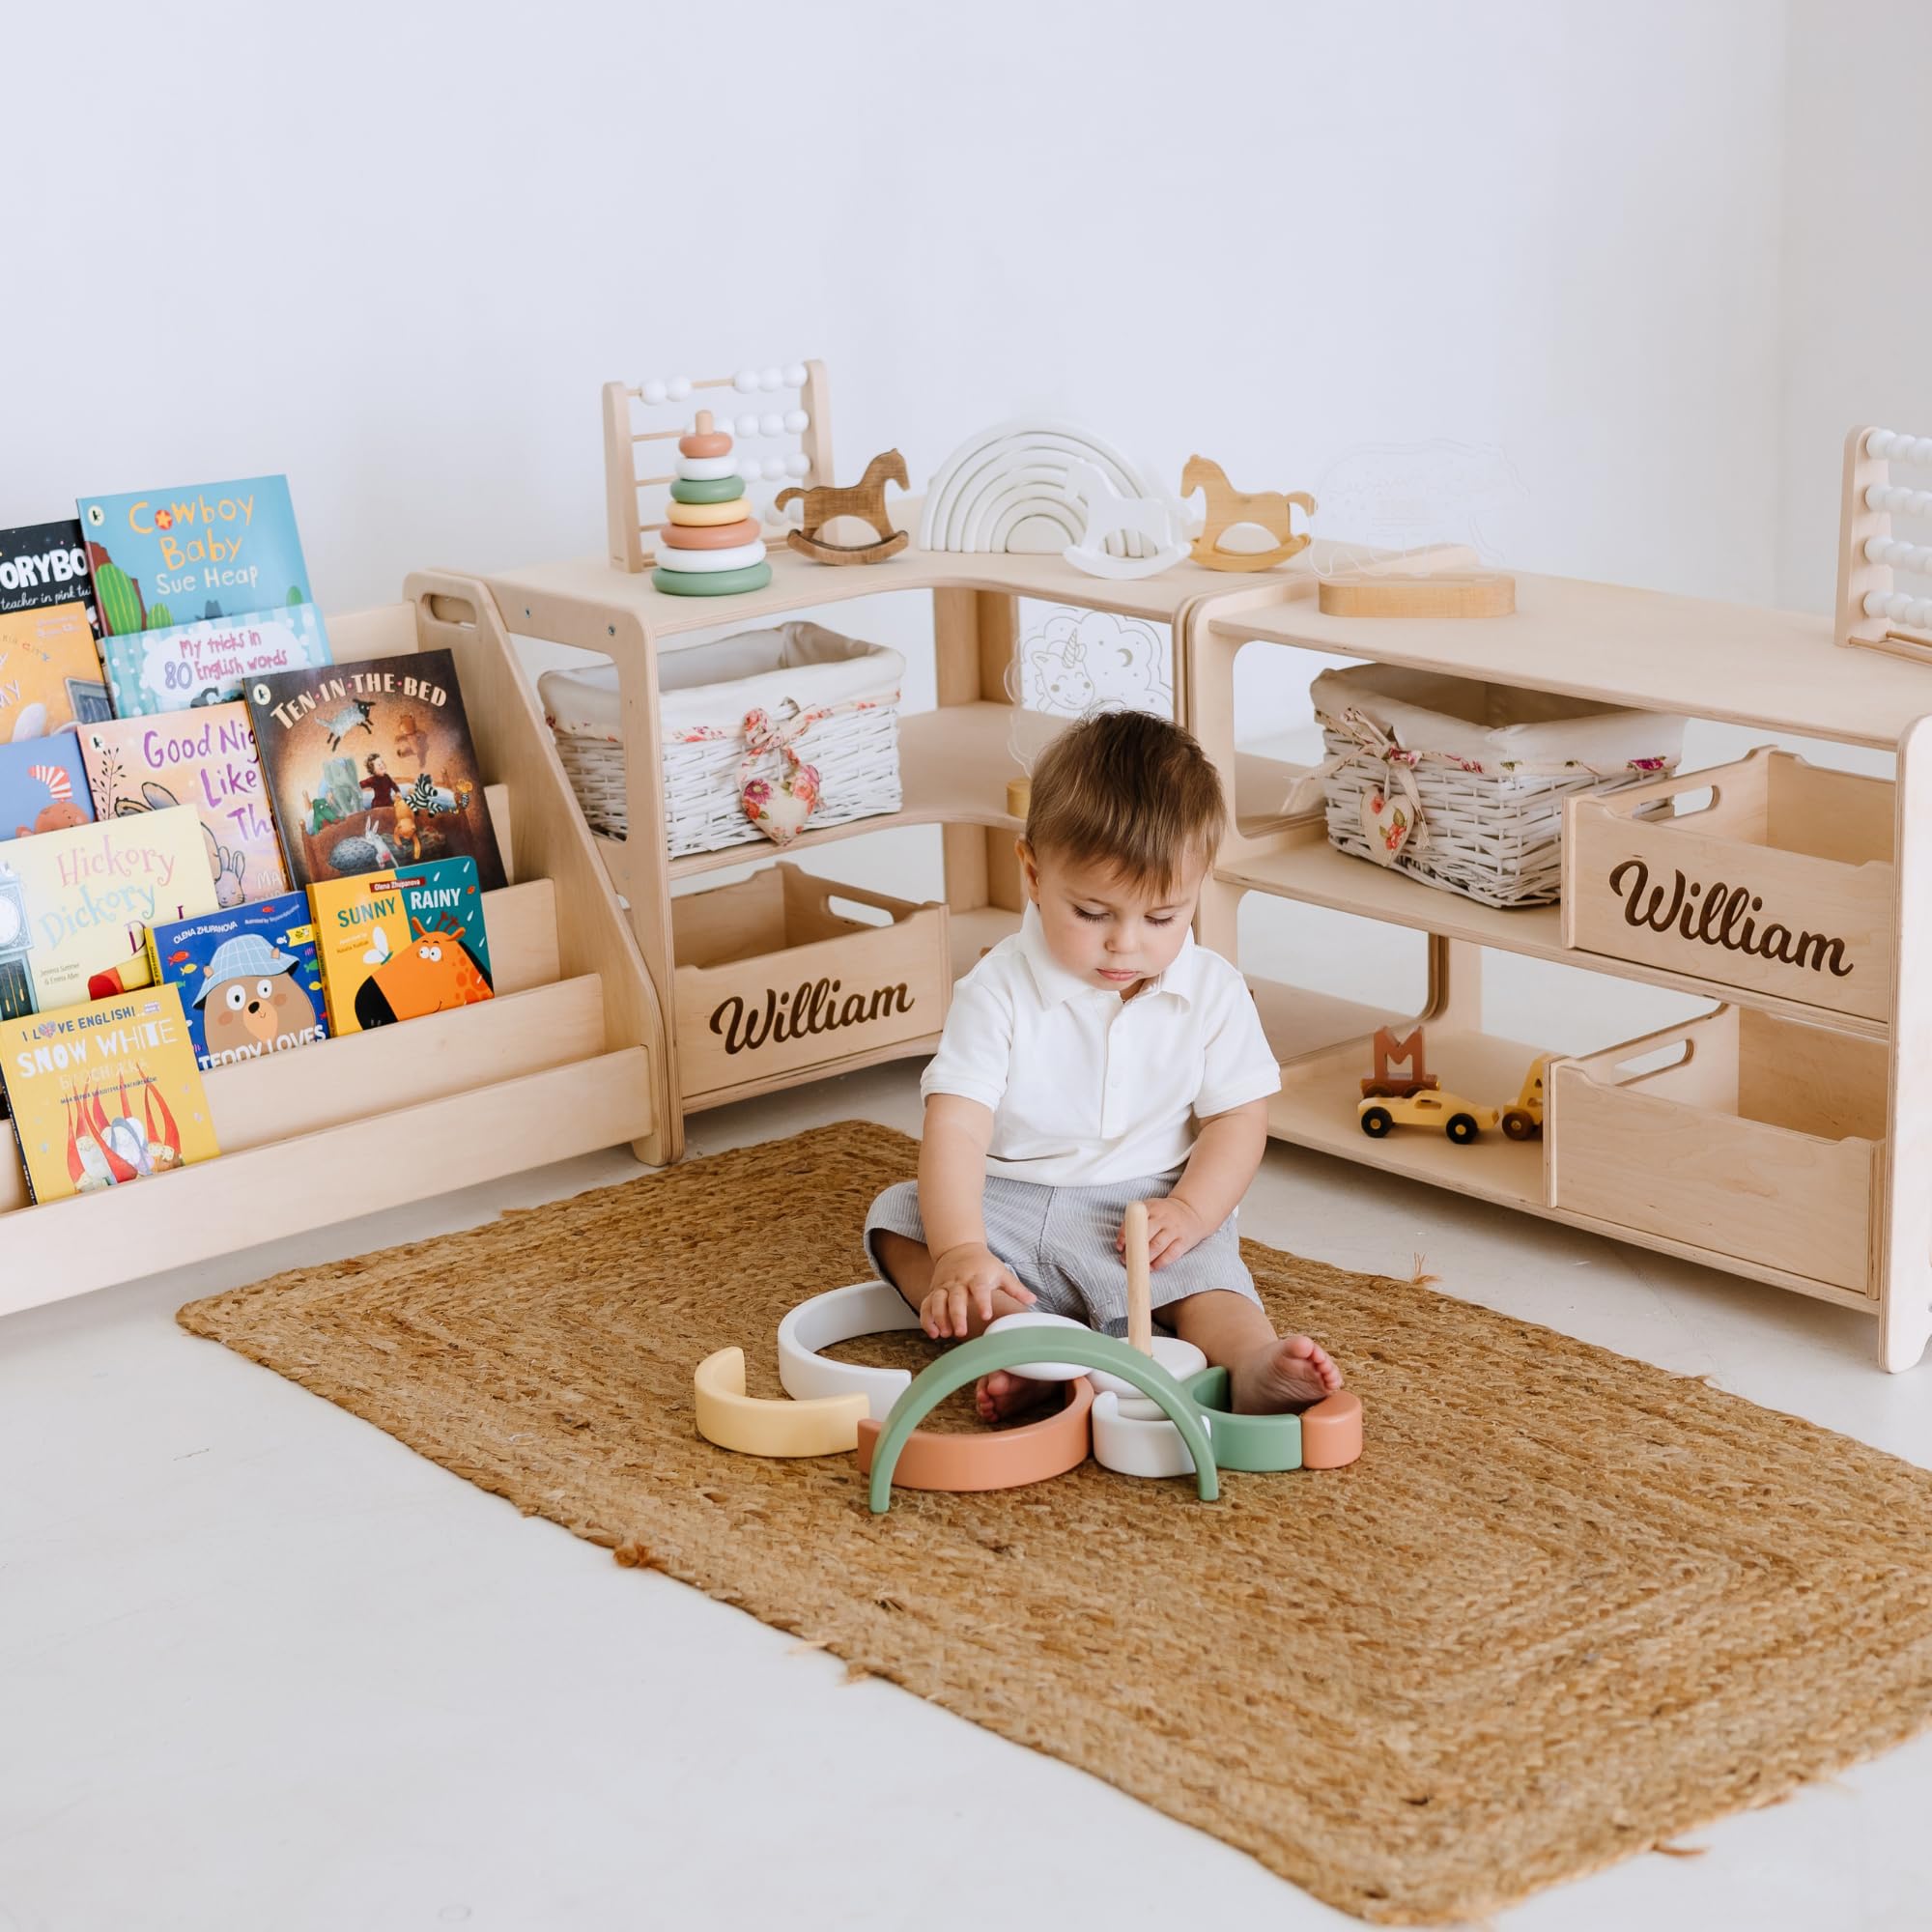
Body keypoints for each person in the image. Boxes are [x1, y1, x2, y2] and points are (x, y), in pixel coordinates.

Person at [866, 709, 1342, 1424]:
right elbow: (957, 1129)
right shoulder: (997, 988)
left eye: (1160, 919)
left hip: (1142, 1215)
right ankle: (1022, 1347)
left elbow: (1239, 1118)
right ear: (1032, 873)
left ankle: (1248, 1363)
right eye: (1092, 912)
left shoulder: (1211, 990)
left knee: (1210, 1277)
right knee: (902, 1220)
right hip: (1011, 1200)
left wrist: (1191, 1209)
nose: (1124, 946)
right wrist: (963, 1248)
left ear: (1198, 887)